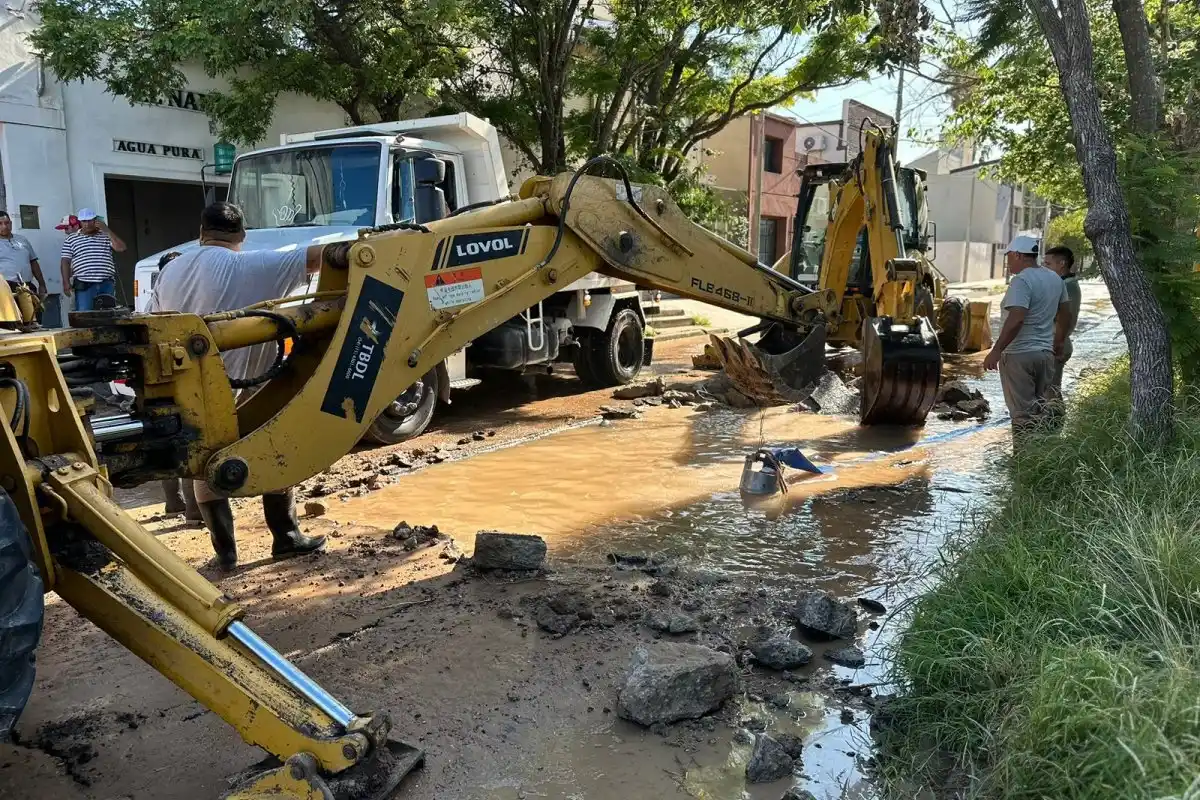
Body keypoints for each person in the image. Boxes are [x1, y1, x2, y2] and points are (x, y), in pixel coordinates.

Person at [150, 202, 330, 570]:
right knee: (278, 446)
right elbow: (323, 257)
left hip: (190, 384)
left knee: (206, 462)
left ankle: (225, 553)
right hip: (253, 381)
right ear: (242, 236)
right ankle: (287, 537)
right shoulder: (252, 263)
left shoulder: (171, 270)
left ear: (202, 232)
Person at [983, 235, 1071, 441]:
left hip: (1019, 355)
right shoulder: (1054, 278)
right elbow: (1066, 312)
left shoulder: (1021, 280)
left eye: (1010, 257)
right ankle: (1039, 459)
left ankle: (1022, 463)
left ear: (1018, 255)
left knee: (1023, 415)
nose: (1008, 262)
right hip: (1044, 354)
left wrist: (996, 351)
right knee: (1040, 409)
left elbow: (1017, 318)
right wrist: (1058, 341)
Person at [61, 208, 126, 311]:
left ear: (95, 220)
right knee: (85, 315)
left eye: (89, 220)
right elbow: (65, 261)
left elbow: (121, 248)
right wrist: (65, 282)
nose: (87, 224)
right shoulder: (71, 239)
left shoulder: (105, 235)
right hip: (84, 284)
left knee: (107, 315)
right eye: (84, 221)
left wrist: (107, 230)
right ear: (80, 222)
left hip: (106, 283)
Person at [1043, 245, 1081, 414]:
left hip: (1057, 344)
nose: (1045, 267)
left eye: (1048, 264)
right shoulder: (1063, 284)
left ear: (1062, 264)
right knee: (1049, 390)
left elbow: (1064, 319)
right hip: (1055, 342)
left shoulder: (1067, 287)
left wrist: (1056, 343)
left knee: (1051, 392)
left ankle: (1055, 431)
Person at [0, 211, 48, 298]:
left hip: (26, 286)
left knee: (32, 311)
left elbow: (33, 262)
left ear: (10, 223)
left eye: (7, 223)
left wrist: (42, 284)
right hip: (5, 289)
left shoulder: (22, 240)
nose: (4, 226)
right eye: (0, 224)